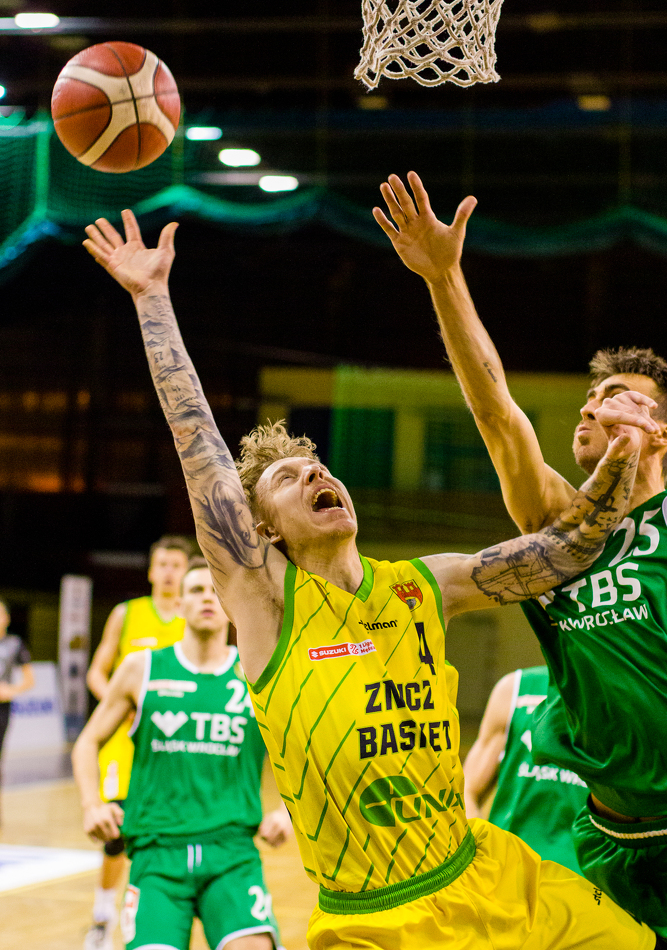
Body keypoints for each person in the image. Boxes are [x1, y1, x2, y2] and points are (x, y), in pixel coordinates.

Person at [80, 208, 661, 950]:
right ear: (262, 531)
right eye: (288, 479)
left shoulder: (426, 584)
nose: (315, 474)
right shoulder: (265, 602)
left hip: (483, 874)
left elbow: (571, 546)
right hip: (372, 914)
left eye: (319, 466)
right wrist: (150, 298)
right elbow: (195, 437)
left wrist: (625, 452)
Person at [373, 170, 667, 935]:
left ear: (660, 431)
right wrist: (442, 278)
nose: (589, 407)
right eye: (587, 399)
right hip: (608, 837)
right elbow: (495, 410)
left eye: (614, 397)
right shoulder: (558, 527)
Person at [73, 557, 290, 950]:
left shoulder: (256, 673)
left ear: (230, 603)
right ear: (179, 604)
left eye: (215, 590)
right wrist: (92, 804)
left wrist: (289, 813)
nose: (206, 597)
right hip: (157, 856)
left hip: (232, 855)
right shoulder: (142, 669)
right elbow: (87, 742)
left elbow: (306, 751)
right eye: (196, 590)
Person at [83, 534, 190, 950]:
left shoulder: (197, 615)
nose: (169, 573)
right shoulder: (126, 613)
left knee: (166, 833)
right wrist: (120, 701)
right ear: (150, 571)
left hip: (177, 744)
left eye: (176, 566)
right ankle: (102, 916)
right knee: (116, 833)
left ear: (186, 571)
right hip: (125, 743)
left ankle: (154, 914)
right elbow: (97, 672)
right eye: (162, 564)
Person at [463, 665, 587, 874]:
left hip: (583, 876)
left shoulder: (622, 695)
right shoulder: (514, 688)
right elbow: (466, 789)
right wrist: (478, 855)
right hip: (506, 869)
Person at [0, 598, 34, 812]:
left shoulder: (14, 644)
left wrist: (10, 691)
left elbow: (29, 680)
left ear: (7, 618)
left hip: (2, 709)